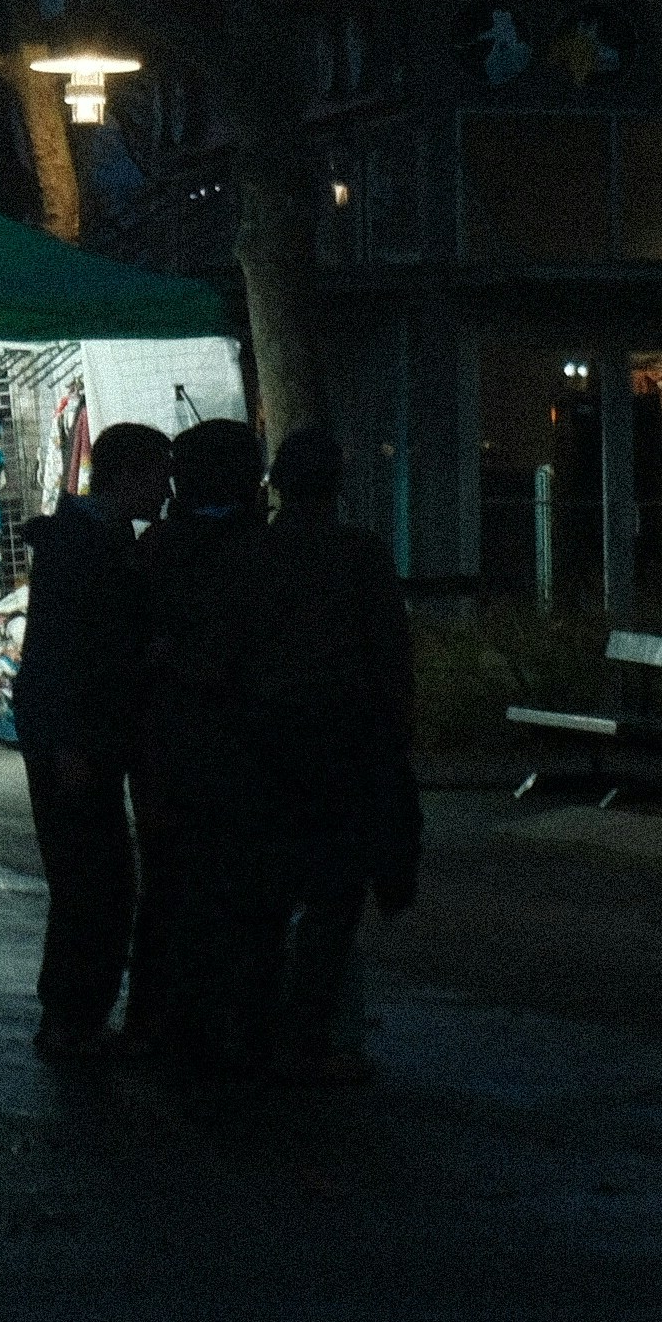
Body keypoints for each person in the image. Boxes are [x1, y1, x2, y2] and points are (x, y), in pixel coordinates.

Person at [242, 423, 421, 1084]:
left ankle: (259, 1026)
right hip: (346, 738)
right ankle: (311, 1033)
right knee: (334, 892)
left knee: (268, 889)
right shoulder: (361, 555)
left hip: (266, 739)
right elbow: (390, 653)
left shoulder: (252, 556)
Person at [127, 421, 278, 1071]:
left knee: (170, 890)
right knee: (248, 895)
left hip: (172, 750)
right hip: (248, 752)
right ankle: (245, 1028)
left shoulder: (158, 549)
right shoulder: (262, 552)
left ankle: (160, 1022)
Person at [12, 426, 161, 1057]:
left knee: (95, 876)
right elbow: (65, 651)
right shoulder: (84, 541)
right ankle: (71, 1018)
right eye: (160, 473)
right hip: (73, 735)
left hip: (79, 731)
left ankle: (76, 1014)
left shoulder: (95, 533)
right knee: (90, 878)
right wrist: (69, 742)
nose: (167, 487)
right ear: (127, 475)